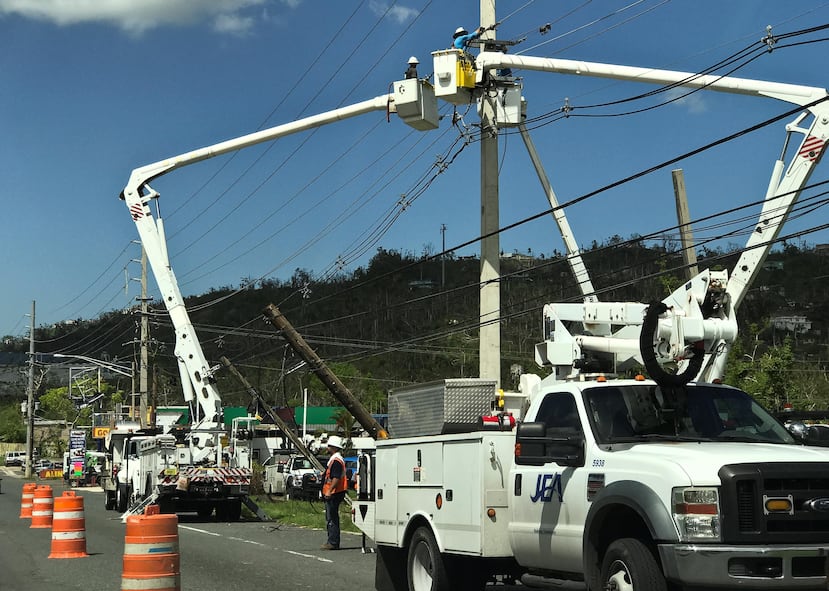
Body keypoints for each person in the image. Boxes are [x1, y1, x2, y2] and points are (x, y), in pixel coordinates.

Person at [320, 435, 347, 550]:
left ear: (334, 448)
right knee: (331, 517)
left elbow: (336, 478)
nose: (327, 448)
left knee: (332, 518)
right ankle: (332, 541)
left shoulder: (336, 461)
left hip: (335, 492)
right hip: (335, 492)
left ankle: (333, 542)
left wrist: (329, 491)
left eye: (330, 446)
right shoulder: (335, 460)